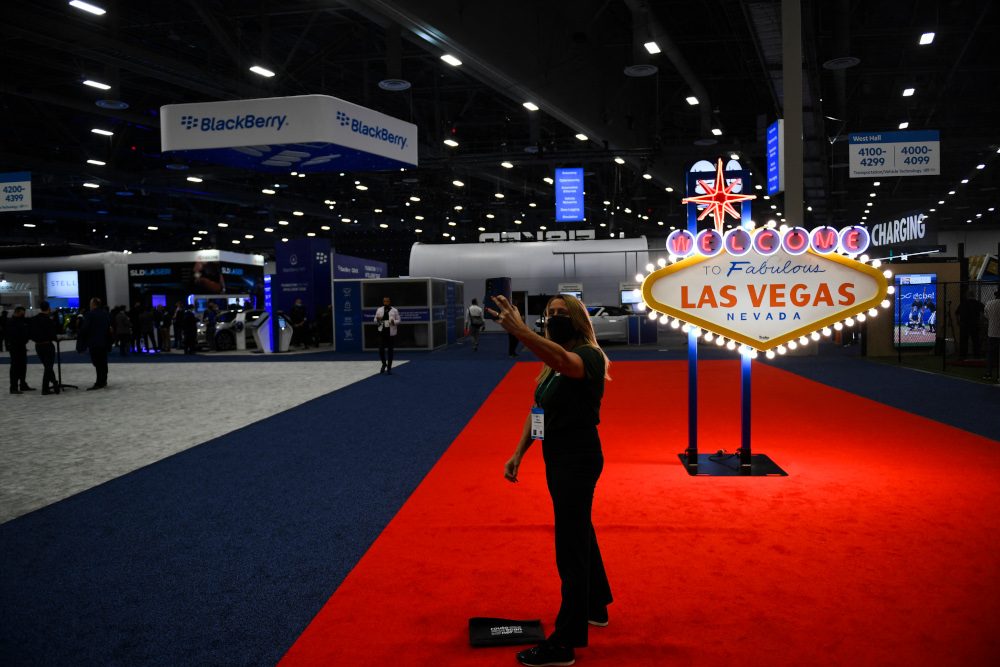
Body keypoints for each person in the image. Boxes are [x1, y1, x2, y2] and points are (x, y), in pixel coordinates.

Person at [489, 293, 613, 667]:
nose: (555, 318)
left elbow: (563, 360)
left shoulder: (588, 355)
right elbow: (539, 408)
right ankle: (596, 606)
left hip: (577, 459)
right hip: (556, 458)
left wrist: (521, 331)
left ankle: (565, 642)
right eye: (550, 314)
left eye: (562, 313)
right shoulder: (550, 365)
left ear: (577, 319)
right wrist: (519, 451)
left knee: (570, 547)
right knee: (580, 532)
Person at [77, 297, 113, 390]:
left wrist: (79, 335)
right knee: (103, 362)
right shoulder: (105, 314)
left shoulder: (90, 314)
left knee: (97, 362)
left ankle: (99, 382)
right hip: (104, 341)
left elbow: (85, 328)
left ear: (92, 305)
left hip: (94, 342)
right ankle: (103, 380)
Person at [29, 301, 61, 395]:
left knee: (47, 366)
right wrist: (56, 338)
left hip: (38, 345)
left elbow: (30, 333)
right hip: (47, 344)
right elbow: (52, 334)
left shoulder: (33, 319)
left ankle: (50, 383)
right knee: (48, 366)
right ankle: (47, 385)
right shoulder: (48, 320)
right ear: (48, 308)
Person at [6, 306, 33, 394]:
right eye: (22, 314)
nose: (23, 315)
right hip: (15, 346)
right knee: (15, 367)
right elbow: (13, 335)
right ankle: (13, 387)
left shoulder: (21, 321)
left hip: (21, 346)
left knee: (22, 366)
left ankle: (23, 384)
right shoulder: (11, 322)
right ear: (16, 312)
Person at [374, 296, 400, 374]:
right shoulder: (379, 309)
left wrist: (393, 322)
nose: (386, 303)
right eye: (385, 301)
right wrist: (377, 319)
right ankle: (384, 364)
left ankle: (389, 368)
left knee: (390, 351)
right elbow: (375, 319)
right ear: (383, 302)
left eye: (387, 301)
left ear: (390, 302)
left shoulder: (394, 310)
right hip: (382, 331)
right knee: (381, 350)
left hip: (390, 333)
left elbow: (399, 320)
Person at [955, 291, 985, 358]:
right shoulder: (977, 303)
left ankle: (963, 355)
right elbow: (985, 312)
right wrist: (981, 321)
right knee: (975, 340)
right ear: (973, 295)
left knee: (964, 341)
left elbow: (957, 313)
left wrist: (958, 321)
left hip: (964, 324)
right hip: (974, 324)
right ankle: (976, 355)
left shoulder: (963, 303)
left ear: (967, 296)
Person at [983, 289, 1000, 382]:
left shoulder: (990, 303)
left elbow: (986, 315)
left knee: (990, 353)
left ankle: (989, 373)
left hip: (992, 332)